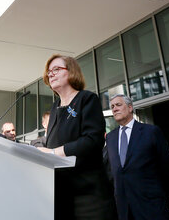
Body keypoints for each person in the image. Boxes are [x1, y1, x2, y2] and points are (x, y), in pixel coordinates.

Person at [37, 55, 114, 220]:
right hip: (60, 194)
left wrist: (52, 153)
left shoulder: (87, 99)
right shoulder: (55, 107)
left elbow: (93, 140)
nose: (51, 74)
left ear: (71, 71)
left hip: (88, 195)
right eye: (49, 72)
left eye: (56, 69)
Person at [106, 94, 169, 220]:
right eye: (112, 107)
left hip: (151, 206)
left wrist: (160, 196)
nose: (114, 109)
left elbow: (167, 167)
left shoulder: (151, 132)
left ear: (130, 107)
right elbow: (112, 171)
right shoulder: (110, 138)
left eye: (118, 105)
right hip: (124, 210)